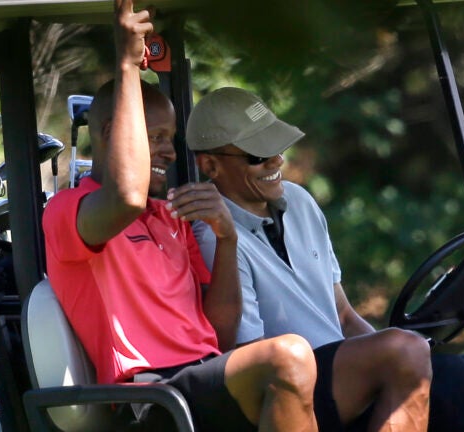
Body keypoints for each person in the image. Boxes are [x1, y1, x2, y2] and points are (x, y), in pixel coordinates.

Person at [42, 4, 319, 431]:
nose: (170, 153)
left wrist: (227, 238)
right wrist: (126, 63)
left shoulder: (171, 217)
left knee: (399, 353)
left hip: (199, 377)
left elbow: (220, 334)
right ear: (112, 133)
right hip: (150, 396)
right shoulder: (69, 212)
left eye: (171, 139)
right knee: (290, 356)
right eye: (156, 138)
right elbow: (126, 197)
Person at [187, 87, 464, 431]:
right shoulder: (214, 238)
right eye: (258, 155)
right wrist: (396, 355)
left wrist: (398, 359)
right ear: (210, 165)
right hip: (292, 390)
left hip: (343, 374)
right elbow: (249, 353)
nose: (277, 161)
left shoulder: (299, 200)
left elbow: (343, 316)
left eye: (277, 148)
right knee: (446, 372)